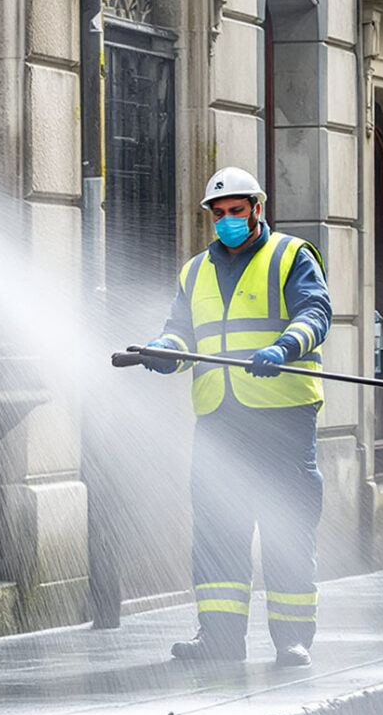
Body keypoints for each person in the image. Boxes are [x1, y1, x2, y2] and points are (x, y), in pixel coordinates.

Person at [139, 167, 331, 667]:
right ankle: (219, 639)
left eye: (236, 212)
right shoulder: (194, 271)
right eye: (219, 214)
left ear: (257, 209)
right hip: (220, 421)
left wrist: (285, 347)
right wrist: (166, 350)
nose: (227, 221)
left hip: (283, 415)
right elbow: (183, 333)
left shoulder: (291, 256)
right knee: (218, 529)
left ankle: (292, 640)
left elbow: (316, 313)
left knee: (286, 526)